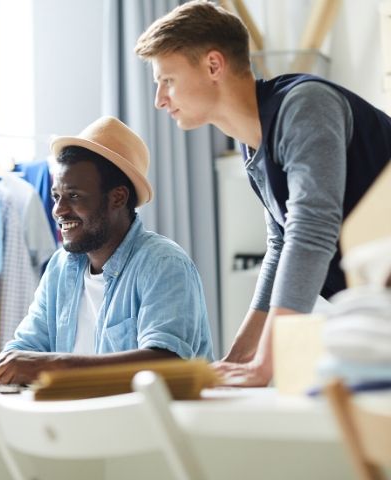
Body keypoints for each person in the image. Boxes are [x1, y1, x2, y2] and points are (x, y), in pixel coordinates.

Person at [135, 0, 391, 386]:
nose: (159, 99)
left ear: (213, 65)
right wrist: (239, 356)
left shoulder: (305, 106)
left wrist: (267, 363)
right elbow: (281, 244)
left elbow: (312, 232)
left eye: (167, 80)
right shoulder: (252, 141)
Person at [0, 116, 213, 385]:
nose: (58, 210)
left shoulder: (163, 264)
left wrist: (50, 365)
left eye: (74, 196)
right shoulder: (60, 267)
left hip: (150, 426)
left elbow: (167, 363)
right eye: (56, 196)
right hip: (78, 423)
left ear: (118, 197)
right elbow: (27, 350)